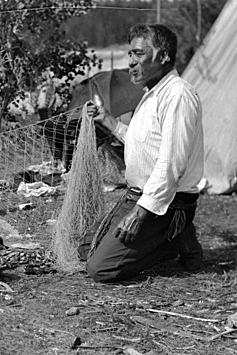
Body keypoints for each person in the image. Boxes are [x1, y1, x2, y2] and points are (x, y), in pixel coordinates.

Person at [78, 24, 204, 283]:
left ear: (164, 55)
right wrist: (108, 121)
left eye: (139, 54)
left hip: (166, 203)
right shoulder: (151, 93)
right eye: (130, 55)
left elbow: (170, 163)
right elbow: (143, 143)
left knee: (100, 269)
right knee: (84, 249)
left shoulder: (177, 96)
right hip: (137, 195)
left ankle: (172, 239)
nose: (131, 62)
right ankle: (175, 235)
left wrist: (140, 213)